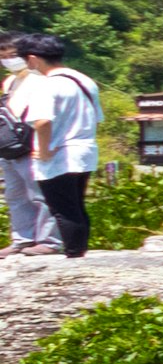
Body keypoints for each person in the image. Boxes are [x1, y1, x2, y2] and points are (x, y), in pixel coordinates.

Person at [8, 34, 102, 258]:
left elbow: (42, 120)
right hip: (85, 151)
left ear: (32, 59)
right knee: (77, 206)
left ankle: (72, 254)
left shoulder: (47, 85)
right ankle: (79, 250)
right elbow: (96, 117)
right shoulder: (84, 80)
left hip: (59, 154)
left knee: (63, 209)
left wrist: (44, 148)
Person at [1, 41, 48, 253]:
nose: (9, 58)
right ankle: (23, 239)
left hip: (32, 144)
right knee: (15, 195)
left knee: (39, 195)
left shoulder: (40, 77)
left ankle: (47, 241)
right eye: (4, 54)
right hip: (9, 146)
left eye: (13, 53)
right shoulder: (10, 81)